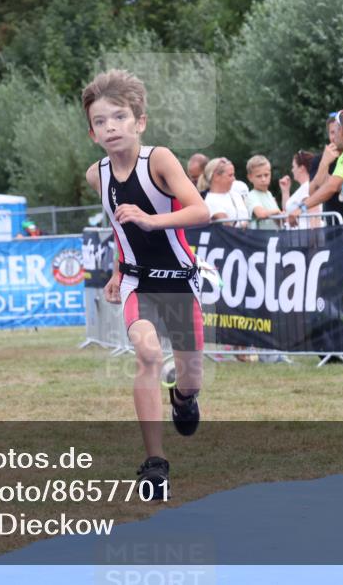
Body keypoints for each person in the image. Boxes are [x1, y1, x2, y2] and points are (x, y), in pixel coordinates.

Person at [82, 69, 210, 500]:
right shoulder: (96, 176)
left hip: (178, 281)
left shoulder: (159, 160)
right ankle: (155, 463)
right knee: (148, 353)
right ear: (92, 132)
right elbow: (122, 229)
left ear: (140, 122)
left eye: (119, 117)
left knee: (191, 375)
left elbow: (200, 211)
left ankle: (184, 398)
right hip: (139, 284)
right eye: (101, 121)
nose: (111, 127)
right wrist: (120, 270)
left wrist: (152, 220)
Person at [199, 158, 249, 228]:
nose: (234, 179)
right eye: (230, 175)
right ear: (216, 177)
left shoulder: (236, 195)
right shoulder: (211, 201)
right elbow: (227, 227)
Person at [279, 150, 321, 230]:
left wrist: (314, 240)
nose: (292, 170)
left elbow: (314, 217)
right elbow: (288, 211)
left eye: (293, 167)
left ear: (301, 168)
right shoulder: (303, 188)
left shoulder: (308, 187)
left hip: (305, 237)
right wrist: (285, 191)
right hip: (297, 237)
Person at [244, 155, 282, 230]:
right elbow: (261, 214)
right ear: (250, 177)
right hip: (260, 239)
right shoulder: (251, 196)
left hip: (274, 236)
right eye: (259, 176)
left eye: (266, 175)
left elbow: (278, 221)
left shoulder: (269, 194)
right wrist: (278, 211)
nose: (263, 179)